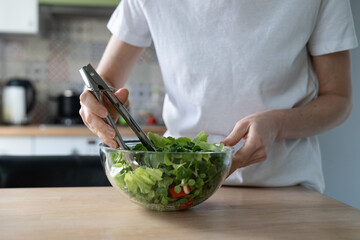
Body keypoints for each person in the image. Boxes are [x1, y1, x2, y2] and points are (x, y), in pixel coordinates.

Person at [79, 0, 358, 193]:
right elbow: (107, 82)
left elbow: (338, 98)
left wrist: (277, 123)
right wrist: (98, 104)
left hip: (286, 185)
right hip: (179, 187)